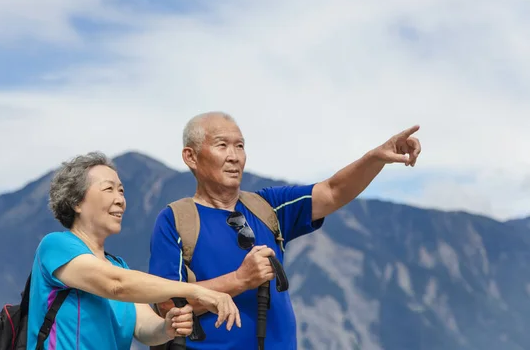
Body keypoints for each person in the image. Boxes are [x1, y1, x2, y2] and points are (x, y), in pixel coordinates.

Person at [148, 111, 422, 349]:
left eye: (240, 146)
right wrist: (239, 280)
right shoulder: (176, 220)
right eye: (222, 145)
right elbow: (167, 305)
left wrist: (376, 158)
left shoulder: (268, 207)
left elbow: (332, 191)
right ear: (191, 157)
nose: (234, 157)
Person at [26, 151, 241, 350]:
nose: (120, 200)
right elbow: (116, 285)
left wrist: (167, 327)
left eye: (121, 190)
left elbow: (144, 329)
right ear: (76, 202)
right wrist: (196, 291)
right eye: (108, 189)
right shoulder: (56, 246)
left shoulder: (119, 267)